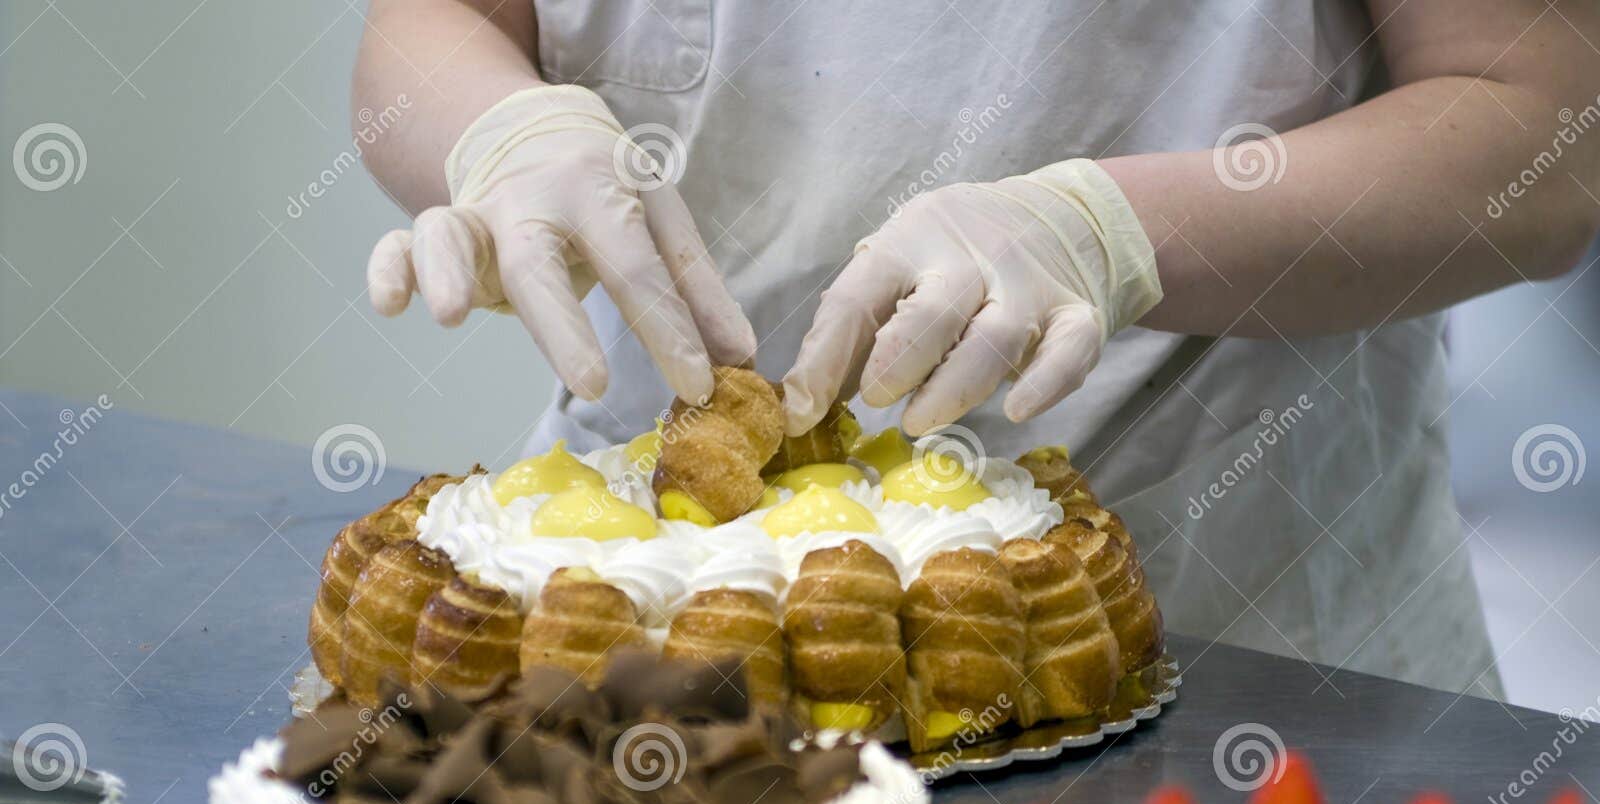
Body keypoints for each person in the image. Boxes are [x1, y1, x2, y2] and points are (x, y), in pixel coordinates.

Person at [355, 0, 1600, 697]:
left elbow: (1543, 133)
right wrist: (501, 131)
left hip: (1230, 642)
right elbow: (441, 20)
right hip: (628, 655)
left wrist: (1110, 234)